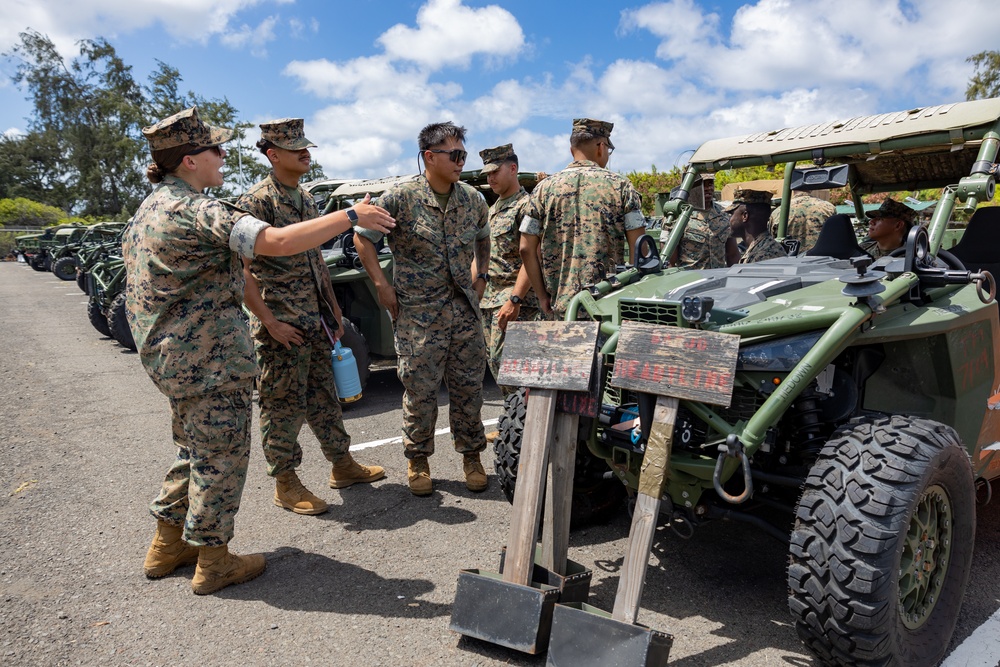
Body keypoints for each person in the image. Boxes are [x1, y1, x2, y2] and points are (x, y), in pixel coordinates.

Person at [124, 107, 393, 594]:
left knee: (193, 450)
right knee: (221, 458)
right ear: (189, 160)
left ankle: (168, 543)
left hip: (175, 358)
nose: (223, 157)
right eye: (215, 150)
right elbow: (276, 242)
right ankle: (214, 559)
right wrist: (352, 214)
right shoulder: (195, 208)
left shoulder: (152, 207)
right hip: (208, 360)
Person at [238, 118, 385, 518]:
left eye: (307, 146)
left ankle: (343, 465)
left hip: (315, 320)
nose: (306, 152)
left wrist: (334, 310)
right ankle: (285, 482)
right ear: (272, 154)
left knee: (324, 399)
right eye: (296, 147)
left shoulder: (304, 198)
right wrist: (269, 322)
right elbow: (242, 271)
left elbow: (316, 258)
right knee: (281, 406)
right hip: (282, 327)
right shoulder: (256, 201)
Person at [354, 121, 490, 497]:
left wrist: (481, 279)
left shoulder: (473, 200)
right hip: (418, 315)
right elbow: (362, 239)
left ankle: (472, 458)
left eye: (464, 153)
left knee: (468, 389)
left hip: (463, 310)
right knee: (420, 391)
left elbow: (483, 239)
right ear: (429, 157)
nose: (462, 161)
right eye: (455, 154)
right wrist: (381, 285)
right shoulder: (400, 198)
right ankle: (418, 461)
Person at [519, 118, 646, 317]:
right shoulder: (621, 186)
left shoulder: (542, 189)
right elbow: (640, 249)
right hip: (608, 308)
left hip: (560, 308)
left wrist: (543, 296)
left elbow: (526, 248)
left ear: (572, 150)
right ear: (601, 147)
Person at [475, 143, 544, 407]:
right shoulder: (494, 209)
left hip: (515, 302)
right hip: (490, 301)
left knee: (516, 369)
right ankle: (514, 423)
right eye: (487, 174)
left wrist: (514, 300)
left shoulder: (525, 206)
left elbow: (533, 255)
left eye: (495, 172)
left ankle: (527, 428)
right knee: (499, 366)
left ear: (513, 168)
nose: (490, 178)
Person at [670, 174, 736, 270]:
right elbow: (669, 262)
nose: (708, 188)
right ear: (689, 187)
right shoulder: (679, 216)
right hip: (691, 280)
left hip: (719, 279)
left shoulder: (724, 214)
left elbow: (732, 255)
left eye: (710, 184)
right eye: (703, 184)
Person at [768, 189, 836, 254]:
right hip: (821, 262)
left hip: (790, 262)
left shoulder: (778, 212)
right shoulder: (828, 208)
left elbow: (773, 243)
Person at [732, 189, 787, 264]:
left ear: (745, 216)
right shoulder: (759, 248)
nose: (728, 219)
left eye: (731, 214)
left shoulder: (765, 256)